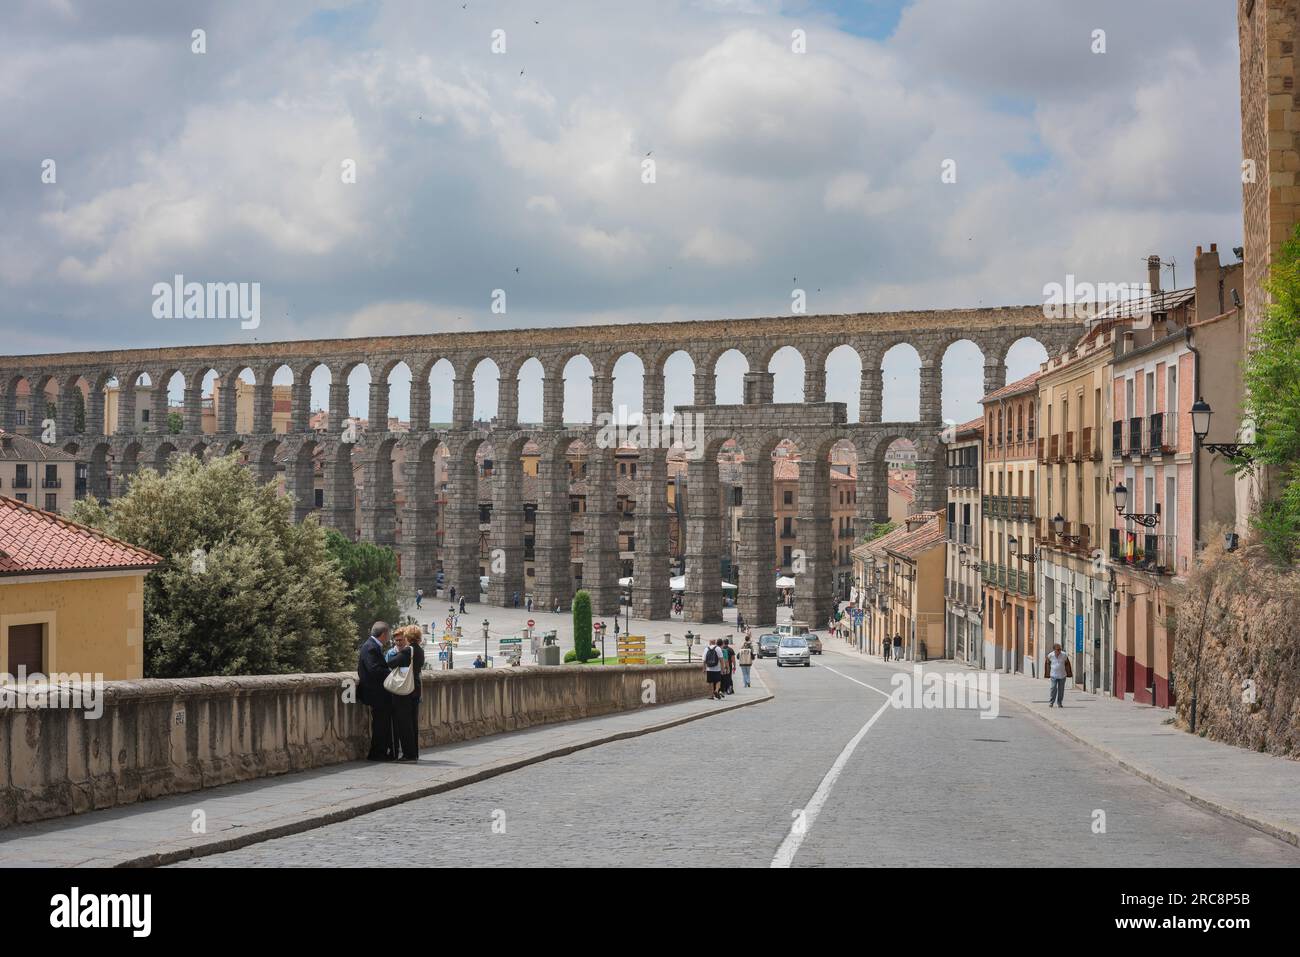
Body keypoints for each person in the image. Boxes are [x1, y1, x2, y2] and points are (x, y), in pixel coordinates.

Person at [357, 621, 394, 761]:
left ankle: (380, 751)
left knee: (382, 723)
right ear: (384, 634)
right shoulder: (371, 647)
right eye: (388, 634)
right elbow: (374, 669)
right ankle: (377, 753)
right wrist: (390, 672)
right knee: (380, 723)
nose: (389, 637)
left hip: (378, 693)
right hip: (376, 693)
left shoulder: (372, 646)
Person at [387, 626, 424, 762]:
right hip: (415, 689)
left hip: (405, 691)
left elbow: (391, 662)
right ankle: (414, 753)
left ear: (408, 637)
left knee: (404, 723)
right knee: (413, 723)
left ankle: (408, 754)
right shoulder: (420, 650)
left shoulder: (409, 650)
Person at [1046, 642, 1071, 708]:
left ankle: (1059, 703)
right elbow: (1047, 664)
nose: (1059, 651)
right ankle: (1051, 702)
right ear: (1054, 650)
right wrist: (1047, 674)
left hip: (1062, 675)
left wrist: (1068, 673)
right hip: (1053, 675)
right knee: (1053, 688)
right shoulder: (1050, 655)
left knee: (1061, 690)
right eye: (1058, 649)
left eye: (1060, 649)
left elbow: (1067, 664)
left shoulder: (1064, 655)